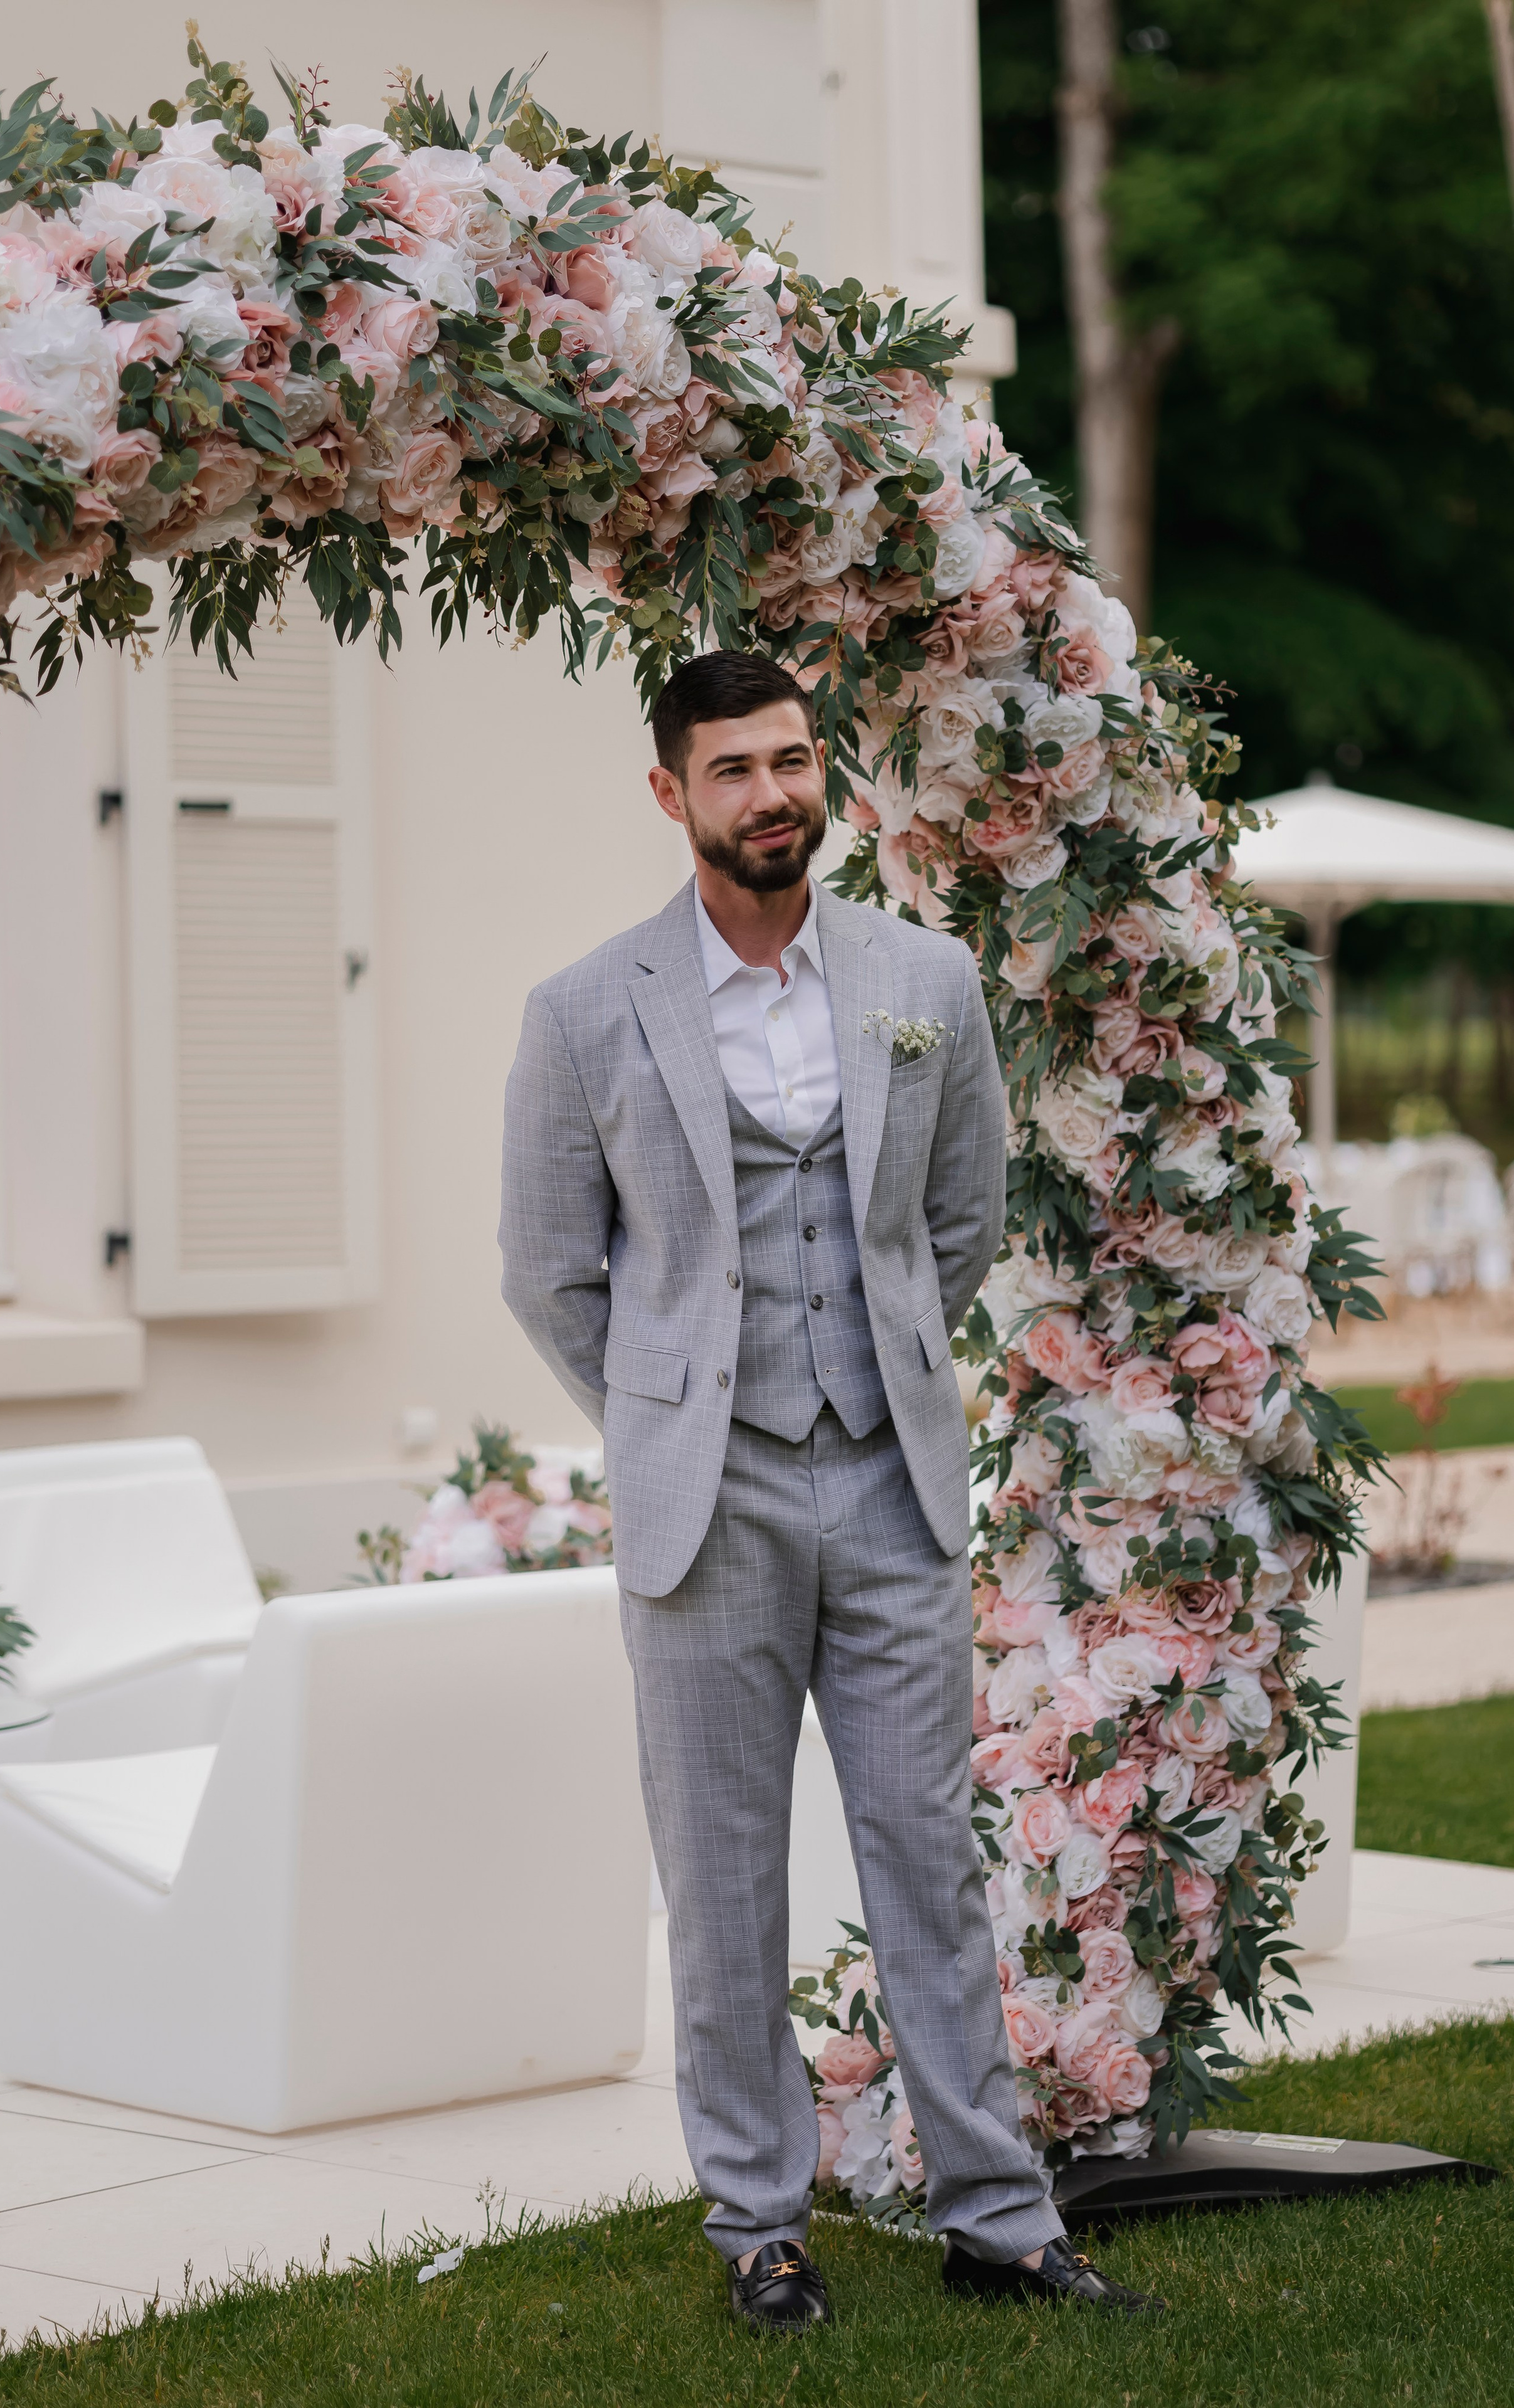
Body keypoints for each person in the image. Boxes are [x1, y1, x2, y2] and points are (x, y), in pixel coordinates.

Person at [499, 651, 1162, 2330]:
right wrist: (671, 1416)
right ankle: (757, 2228)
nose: (773, 794)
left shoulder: (919, 976)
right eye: (733, 770)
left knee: (926, 1859)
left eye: (792, 762)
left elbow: (960, 1215)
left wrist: (879, 1375)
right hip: (702, 1507)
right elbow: (549, 1273)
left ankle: (1001, 2222)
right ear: (674, 796)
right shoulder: (585, 1009)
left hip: (888, 1484)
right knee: (721, 1881)